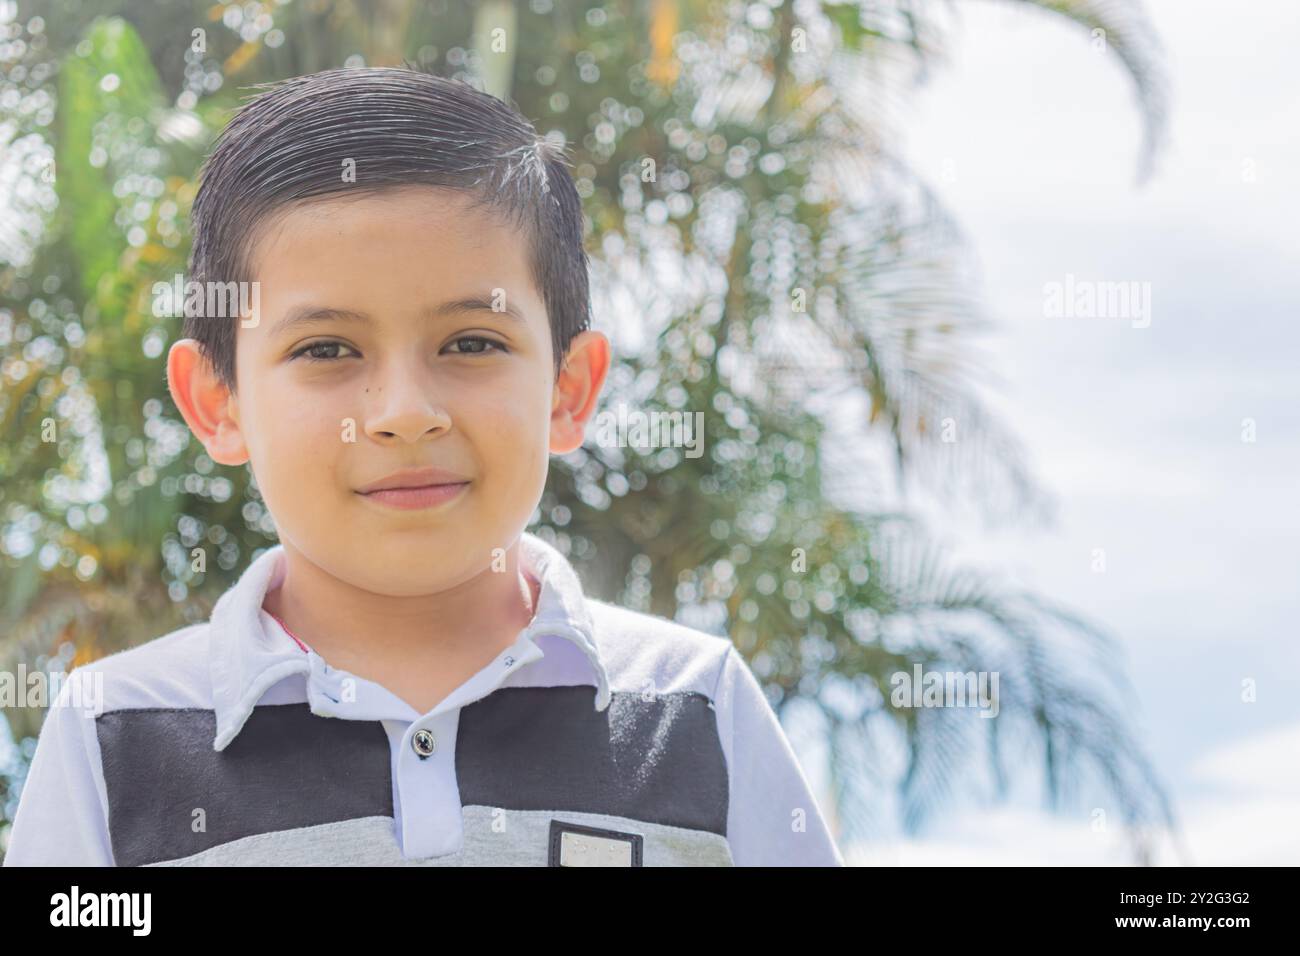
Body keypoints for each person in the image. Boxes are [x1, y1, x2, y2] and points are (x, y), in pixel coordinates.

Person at [3, 67, 843, 867]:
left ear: (569, 388)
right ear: (217, 401)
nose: (405, 410)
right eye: (325, 348)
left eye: (472, 342)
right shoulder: (112, 734)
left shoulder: (697, 708)